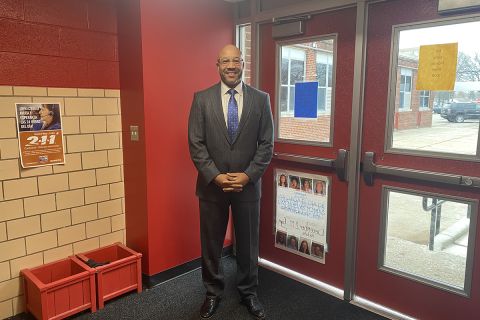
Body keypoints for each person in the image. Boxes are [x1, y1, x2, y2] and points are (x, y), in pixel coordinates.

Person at [188, 44, 274, 319]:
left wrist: (248, 175)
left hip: (248, 186)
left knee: (248, 245)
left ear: (243, 64)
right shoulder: (201, 99)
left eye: (235, 60)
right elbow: (196, 144)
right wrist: (216, 176)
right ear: (217, 65)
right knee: (211, 244)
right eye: (225, 61)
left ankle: (248, 293)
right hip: (212, 187)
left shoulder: (261, 100)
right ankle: (212, 293)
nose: (231, 65)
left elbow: (266, 144)